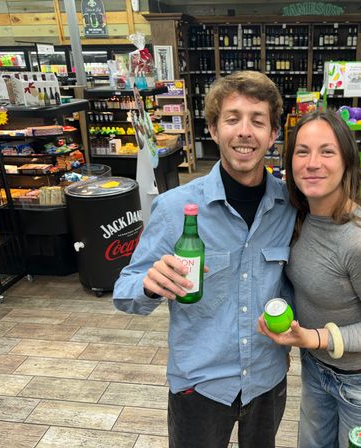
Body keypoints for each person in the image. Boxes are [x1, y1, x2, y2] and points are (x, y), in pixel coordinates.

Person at [113, 71, 296, 448]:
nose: (245, 131)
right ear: (213, 129)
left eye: (258, 121)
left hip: (266, 381)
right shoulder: (174, 208)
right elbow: (124, 289)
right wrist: (148, 285)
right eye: (232, 119)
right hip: (200, 388)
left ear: (273, 135)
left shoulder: (290, 207)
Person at [258, 110, 361, 448]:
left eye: (327, 151)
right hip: (315, 370)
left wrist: (313, 338)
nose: (312, 163)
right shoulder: (299, 218)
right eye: (302, 151)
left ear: (346, 162)